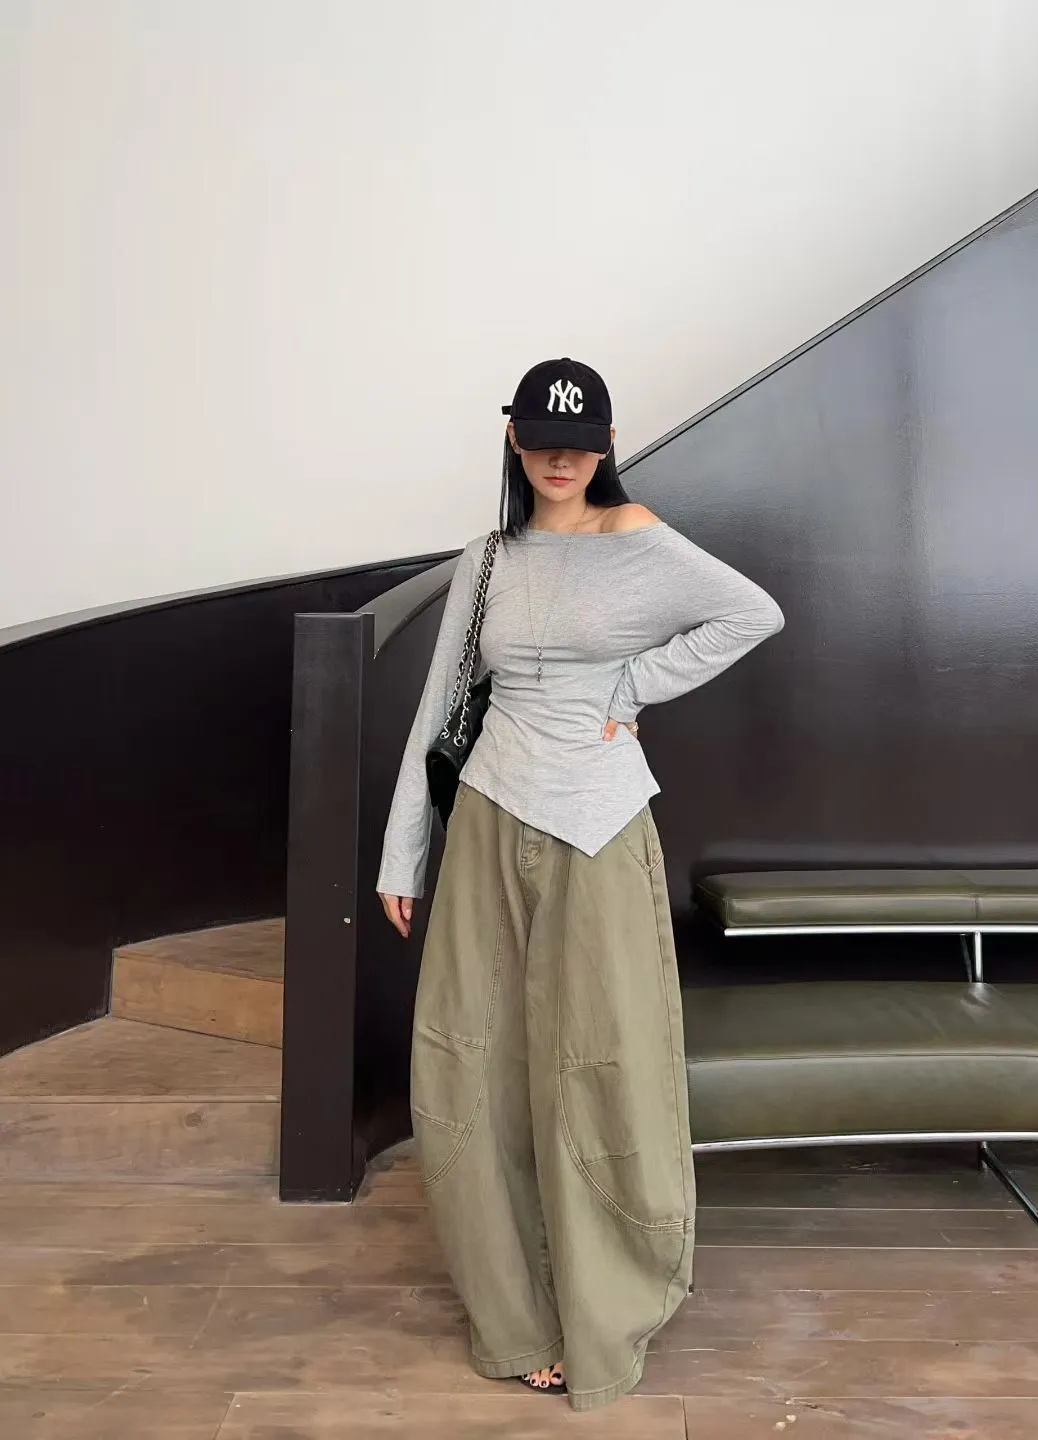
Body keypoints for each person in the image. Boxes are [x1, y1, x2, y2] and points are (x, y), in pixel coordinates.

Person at [377, 357, 784, 1410]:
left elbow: (753, 614)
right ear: (514, 440)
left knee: (599, 1062)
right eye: (543, 441)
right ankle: (514, 1315)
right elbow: (440, 706)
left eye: (581, 443)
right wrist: (403, 852)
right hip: (487, 819)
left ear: (605, 447)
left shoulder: (639, 539)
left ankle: (603, 1312)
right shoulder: (489, 560)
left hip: (599, 825)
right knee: (475, 1067)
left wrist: (632, 684)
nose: (562, 460)